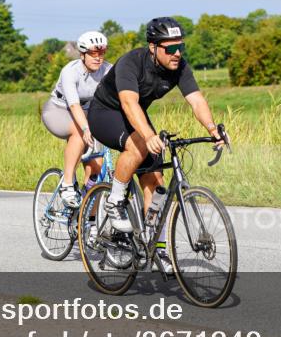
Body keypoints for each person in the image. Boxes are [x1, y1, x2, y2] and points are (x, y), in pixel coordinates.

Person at [87, 17, 223, 268]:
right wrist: (148, 135)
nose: (177, 53)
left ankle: (156, 247)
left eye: (180, 47)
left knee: (157, 181)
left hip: (136, 115)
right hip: (105, 113)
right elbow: (128, 103)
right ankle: (114, 201)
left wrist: (213, 129)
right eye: (170, 49)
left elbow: (196, 100)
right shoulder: (131, 62)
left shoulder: (180, 67)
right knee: (139, 144)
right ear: (153, 47)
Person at [41, 30, 112, 207]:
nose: (98, 58)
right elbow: (73, 105)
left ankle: (87, 215)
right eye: (93, 54)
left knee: (97, 167)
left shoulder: (108, 70)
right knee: (79, 133)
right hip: (59, 110)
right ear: (82, 55)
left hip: (87, 112)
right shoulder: (70, 71)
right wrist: (86, 128)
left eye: (101, 53)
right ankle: (67, 184)